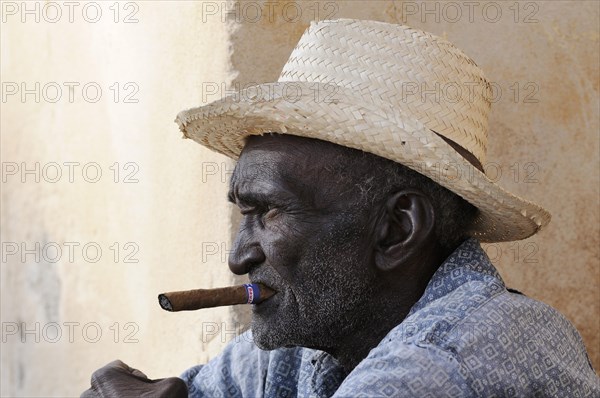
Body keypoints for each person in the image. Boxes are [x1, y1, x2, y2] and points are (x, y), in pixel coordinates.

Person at [82, 19, 600, 397]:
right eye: (243, 213)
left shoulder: (444, 363)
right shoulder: (316, 330)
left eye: (268, 213)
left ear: (397, 230)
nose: (238, 258)